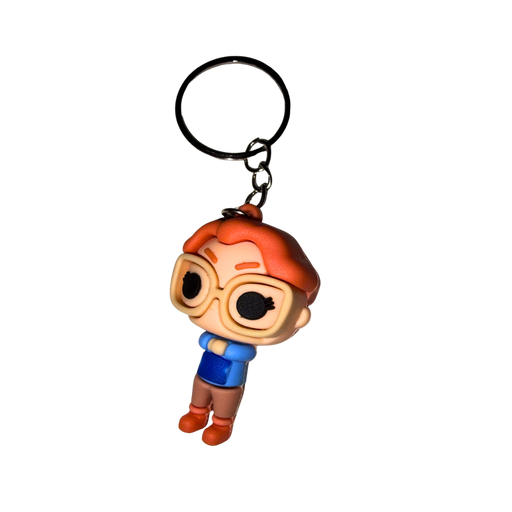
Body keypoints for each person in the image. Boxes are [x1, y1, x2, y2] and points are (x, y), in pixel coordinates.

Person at [168, 204, 322, 448]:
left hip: (229, 382)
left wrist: (215, 344)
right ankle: (196, 413)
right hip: (203, 373)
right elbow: (202, 340)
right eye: (195, 282)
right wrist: (210, 342)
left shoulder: (243, 346)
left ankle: (221, 425)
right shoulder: (208, 333)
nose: (216, 303)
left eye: (252, 302)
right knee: (199, 391)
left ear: (299, 318)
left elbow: (242, 353)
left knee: (224, 402)